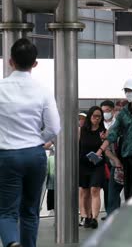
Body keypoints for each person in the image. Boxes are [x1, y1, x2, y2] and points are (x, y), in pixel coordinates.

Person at [0, 38, 60, 247]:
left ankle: (11, 242)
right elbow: (54, 128)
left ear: (10, 61)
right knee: (31, 210)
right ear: (35, 63)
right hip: (35, 155)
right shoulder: (43, 90)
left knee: (6, 211)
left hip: (7, 155)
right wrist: (37, 139)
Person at [79, 106, 106, 229]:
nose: (96, 119)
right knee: (85, 191)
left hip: (97, 164)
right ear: (90, 116)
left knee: (95, 189)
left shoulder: (103, 132)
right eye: (94, 116)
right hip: (83, 164)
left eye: (99, 116)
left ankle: (94, 217)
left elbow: (107, 147)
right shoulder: (81, 131)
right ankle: (86, 216)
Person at [99, 100, 124, 219]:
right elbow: (106, 147)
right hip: (110, 161)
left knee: (115, 190)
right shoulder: (101, 125)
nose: (105, 114)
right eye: (103, 111)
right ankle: (111, 213)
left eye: (107, 111)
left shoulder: (117, 125)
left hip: (123, 161)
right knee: (109, 189)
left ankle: (115, 213)